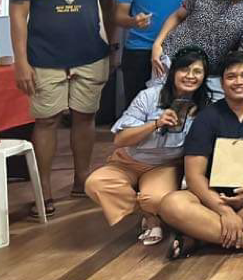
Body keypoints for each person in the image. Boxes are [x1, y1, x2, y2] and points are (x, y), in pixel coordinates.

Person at [8, 0, 116, 215]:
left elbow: (109, 6)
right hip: (44, 58)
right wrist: (20, 61)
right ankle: (42, 189)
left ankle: (82, 180)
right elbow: (18, 16)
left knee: (85, 117)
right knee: (46, 120)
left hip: (90, 55)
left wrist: (112, 45)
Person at [157, 51, 243, 258]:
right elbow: (194, 175)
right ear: (221, 83)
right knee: (171, 204)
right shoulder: (206, 117)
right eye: (231, 77)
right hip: (211, 198)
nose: (239, 82)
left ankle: (200, 236)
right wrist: (225, 211)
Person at [85, 46, 210, 244]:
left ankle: (149, 207)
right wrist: (155, 124)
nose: (190, 76)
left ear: (204, 77)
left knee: (155, 199)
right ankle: (149, 217)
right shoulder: (149, 96)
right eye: (184, 70)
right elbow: (120, 139)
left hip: (165, 165)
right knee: (96, 184)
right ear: (173, 72)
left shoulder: (205, 106)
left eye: (197, 72)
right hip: (128, 160)